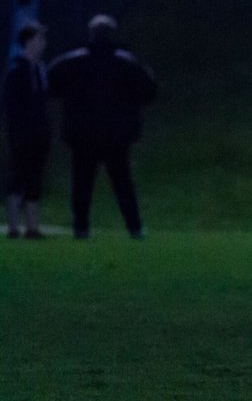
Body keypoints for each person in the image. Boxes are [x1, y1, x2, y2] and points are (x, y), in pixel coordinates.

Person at [47, 14, 157, 239]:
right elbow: (148, 92)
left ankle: (81, 228)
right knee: (123, 184)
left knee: (82, 184)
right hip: (117, 134)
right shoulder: (126, 61)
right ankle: (134, 227)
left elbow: (51, 86)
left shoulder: (71, 61)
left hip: (83, 134)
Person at [4, 22, 51, 238]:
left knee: (34, 177)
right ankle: (14, 226)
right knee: (20, 175)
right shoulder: (17, 71)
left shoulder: (40, 70)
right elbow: (11, 106)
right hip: (23, 132)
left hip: (39, 131)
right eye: (40, 39)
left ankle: (32, 226)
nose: (43, 43)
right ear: (29, 41)